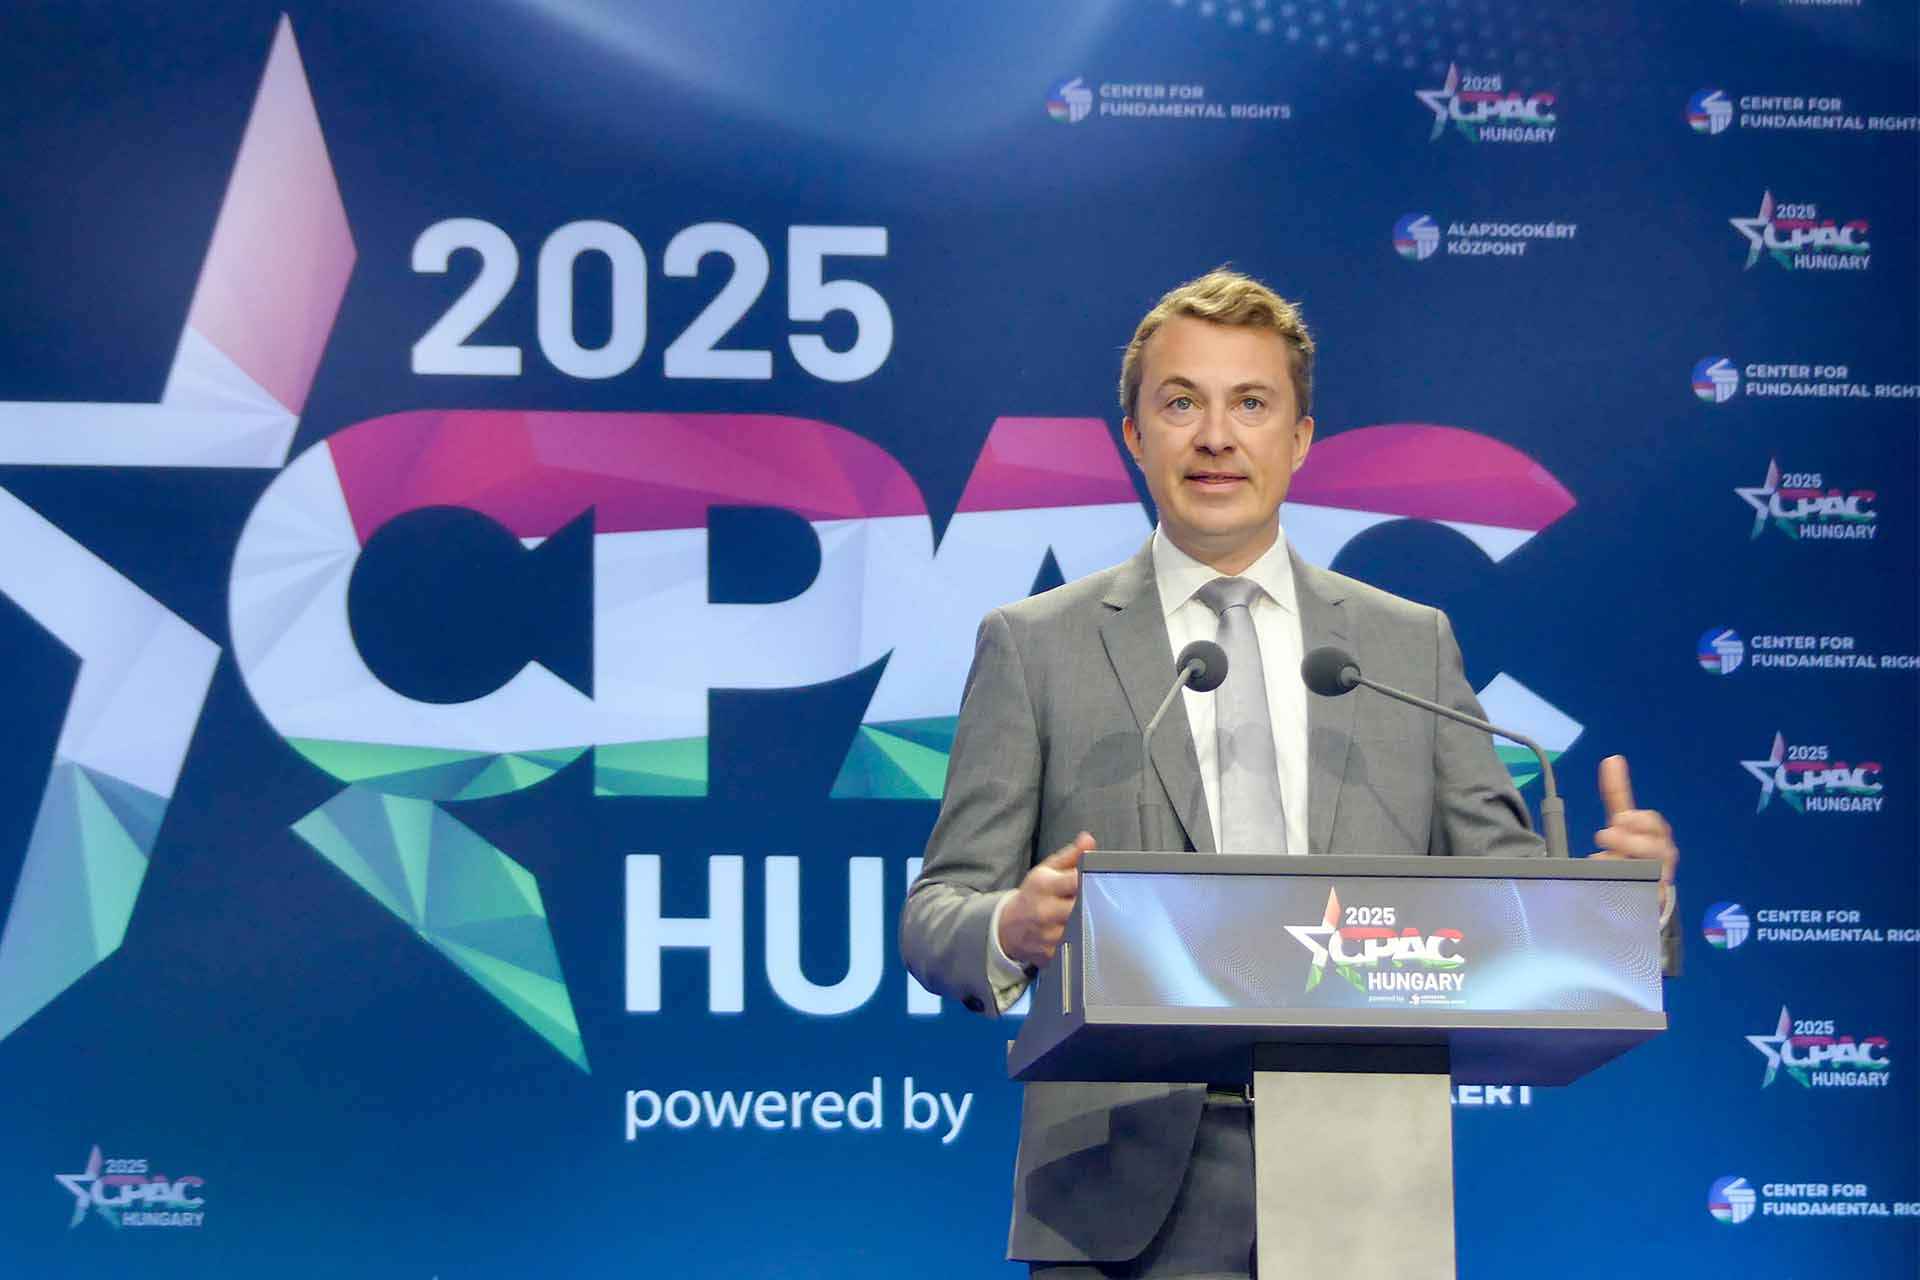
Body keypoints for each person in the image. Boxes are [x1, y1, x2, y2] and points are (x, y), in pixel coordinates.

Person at [898, 269, 1679, 1277]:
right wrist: (1011, 923)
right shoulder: (1035, 645)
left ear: (1301, 437)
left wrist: (1619, 906)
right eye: (1182, 403)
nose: (1216, 437)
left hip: (1367, 1191)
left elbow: (1505, 899)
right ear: (1134, 435)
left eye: (1252, 404)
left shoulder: (1406, 646)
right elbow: (937, 912)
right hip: (1116, 1200)